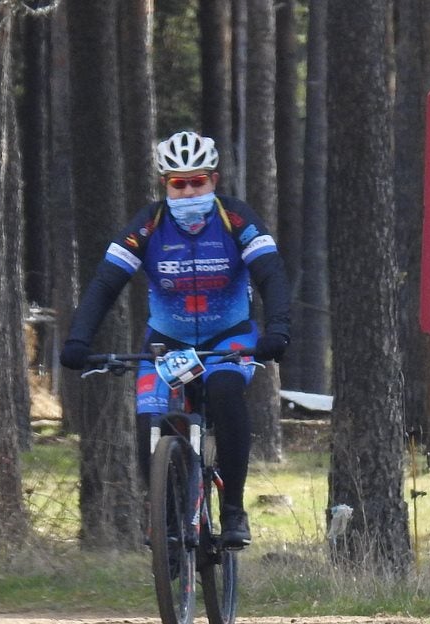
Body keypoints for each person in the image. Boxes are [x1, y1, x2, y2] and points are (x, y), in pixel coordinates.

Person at [58, 131, 292, 548]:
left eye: (197, 182)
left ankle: (233, 509)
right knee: (152, 418)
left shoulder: (235, 219)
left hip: (229, 339)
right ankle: (163, 515)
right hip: (167, 342)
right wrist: (79, 339)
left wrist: (278, 330)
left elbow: (271, 274)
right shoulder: (148, 225)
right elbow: (105, 284)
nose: (188, 192)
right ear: (165, 184)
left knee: (223, 390)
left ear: (214, 181)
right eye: (178, 184)